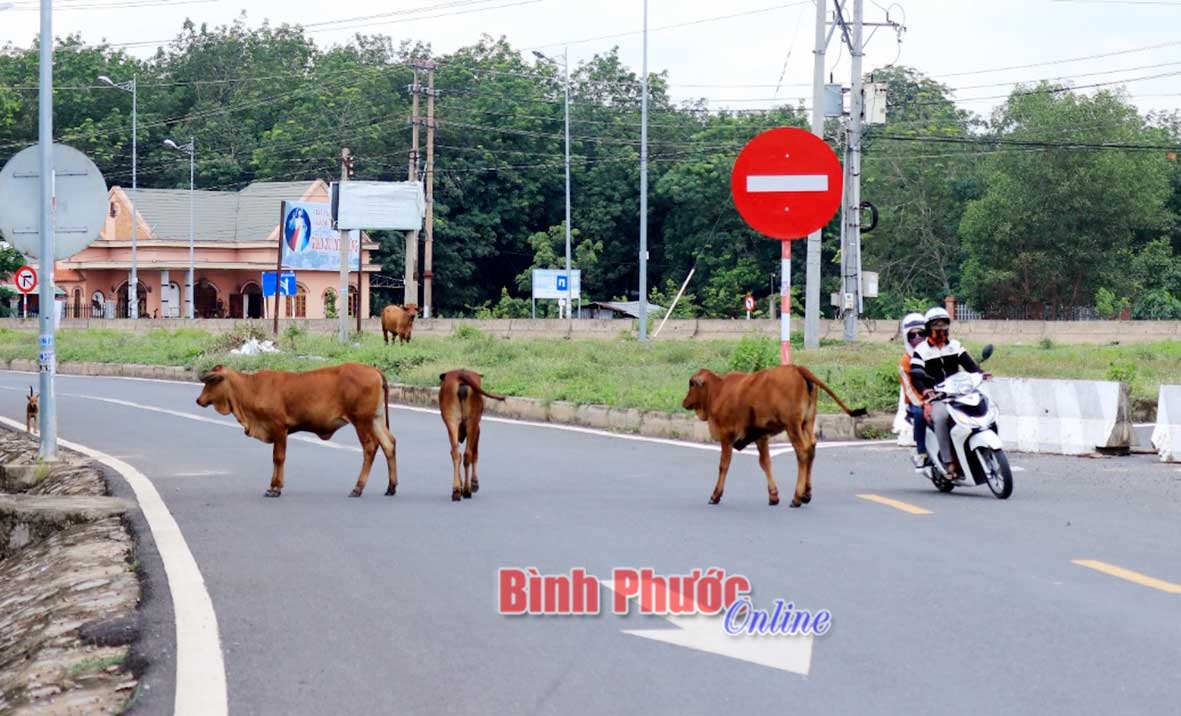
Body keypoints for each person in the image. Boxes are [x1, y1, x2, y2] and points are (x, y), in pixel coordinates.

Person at [909, 307, 986, 478]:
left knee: (981, 406)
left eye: (944, 324)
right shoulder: (921, 350)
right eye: (936, 325)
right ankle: (948, 461)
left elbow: (970, 365)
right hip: (938, 397)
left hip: (959, 393)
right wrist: (925, 390)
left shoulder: (955, 346)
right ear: (928, 328)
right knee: (940, 417)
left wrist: (980, 374)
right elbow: (915, 376)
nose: (941, 328)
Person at [897, 312, 930, 468]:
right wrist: (923, 403)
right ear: (907, 338)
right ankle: (921, 452)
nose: (917, 338)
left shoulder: (934, 353)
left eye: (921, 333)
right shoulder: (905, 361)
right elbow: (909, 390)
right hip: (917, 400)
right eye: (912, 335)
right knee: (920, 414)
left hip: (939, 396)